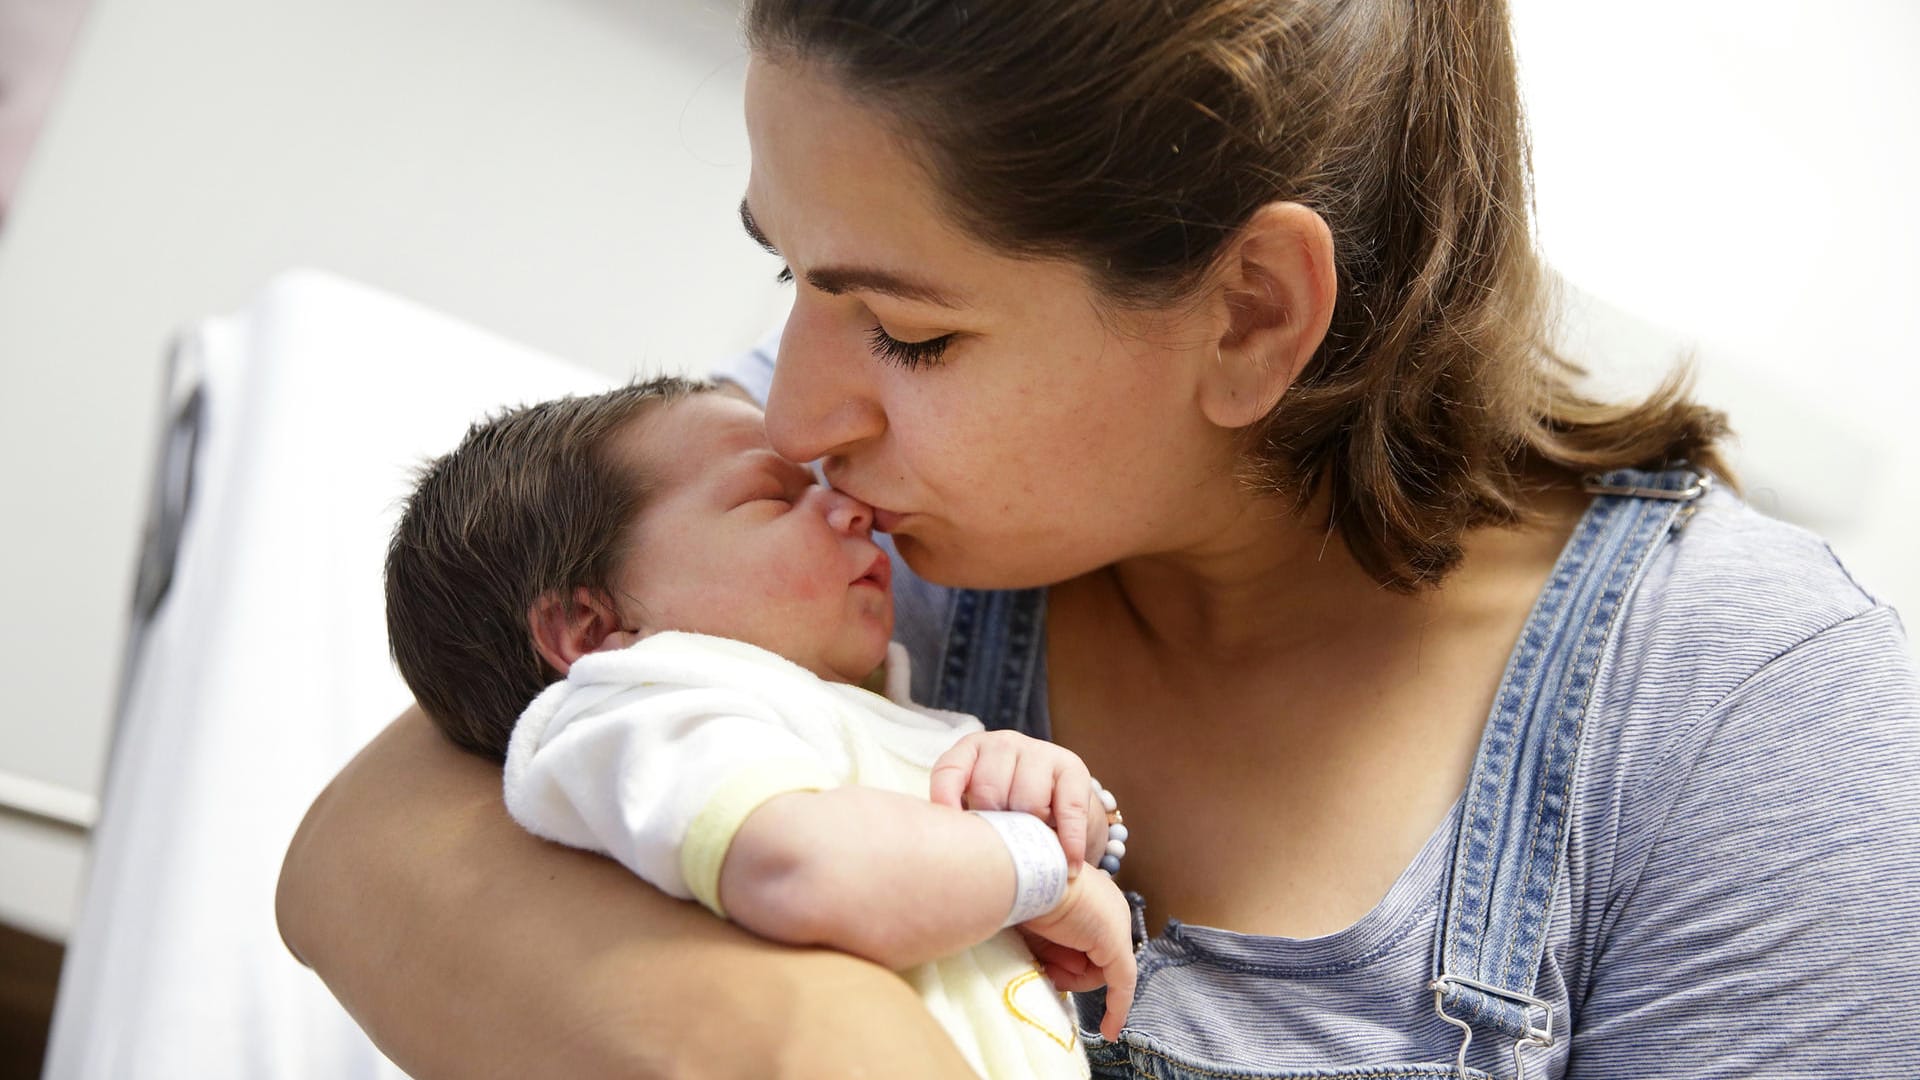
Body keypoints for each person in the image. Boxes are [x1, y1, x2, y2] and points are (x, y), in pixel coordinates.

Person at [277, 0, 1920, 1076]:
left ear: (1251, 315)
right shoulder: (852, 523)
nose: (795, 410)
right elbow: (367, 844)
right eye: (793, 276)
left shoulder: (1757, 726)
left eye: (909, 333)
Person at [378, 377, 1137, 1077]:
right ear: (591, 625)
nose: (852, 507)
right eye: (773, 500)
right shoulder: (644, 710)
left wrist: (1049, 800)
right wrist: (1041, 876)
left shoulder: (857, 711)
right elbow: (807, 872)